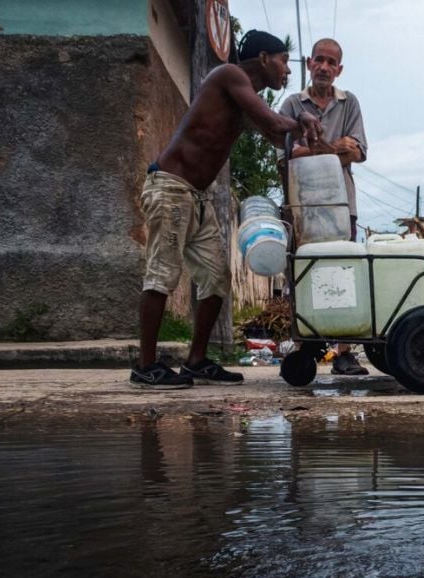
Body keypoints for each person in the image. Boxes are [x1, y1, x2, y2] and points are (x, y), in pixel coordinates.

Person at [131, 30, 323, 390]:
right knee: (162, 275)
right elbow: (273, 124)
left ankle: (197, 360)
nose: (287, 71)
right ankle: (145, 366)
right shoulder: (230, 76)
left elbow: (273, 134)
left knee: (217, 278)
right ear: (264, 58)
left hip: (197, 197)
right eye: (283, 61)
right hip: (171, 188)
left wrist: (304, 128)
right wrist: (302, 122)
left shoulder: (245, 97)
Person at [279, 37, 370, 375]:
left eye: (333, 63)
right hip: (303, 206)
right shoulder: (291, 104)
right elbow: (289, 153)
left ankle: (344, 352)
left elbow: (358, 152)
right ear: (309, 63)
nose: (325, 68)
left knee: (346, 272)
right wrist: (335, 148)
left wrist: (316, 147)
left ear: (339, 69)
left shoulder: (349, 103)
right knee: (303, 274)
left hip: (342, 204)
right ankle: (305, 349)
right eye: (320, 60)